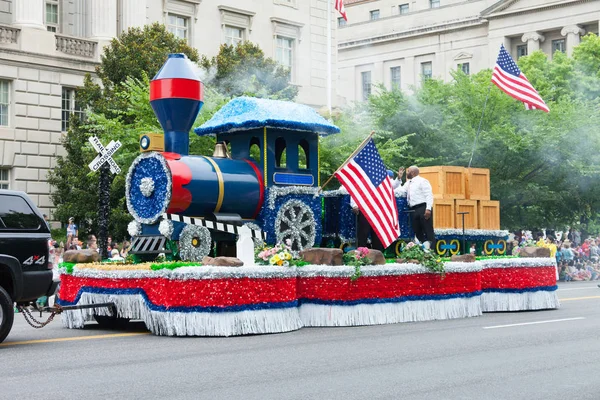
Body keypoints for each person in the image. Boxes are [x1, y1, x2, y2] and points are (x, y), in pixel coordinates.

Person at [350, 170, 398, 252]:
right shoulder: (360, 183)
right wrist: (354, 205)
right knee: (363, 232)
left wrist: (399, 178)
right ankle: (361, 252)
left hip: (376, 211)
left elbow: (391, 185)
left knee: (377, 232)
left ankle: (377, 252)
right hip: (364, 210)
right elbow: (355, 194)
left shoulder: (378, 182)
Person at [395, 166, 435, 249]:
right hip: (413, 209)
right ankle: (425, 248)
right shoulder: (408, 183)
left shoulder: (422, 181)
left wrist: (428, 209)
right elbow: (400, 191)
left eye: (408, 171)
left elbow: (429, 195)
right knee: (417, 231)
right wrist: (398, 179)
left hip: (423, 208)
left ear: (412, 173)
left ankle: (432, 252)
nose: (406, 173)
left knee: (428, 230)